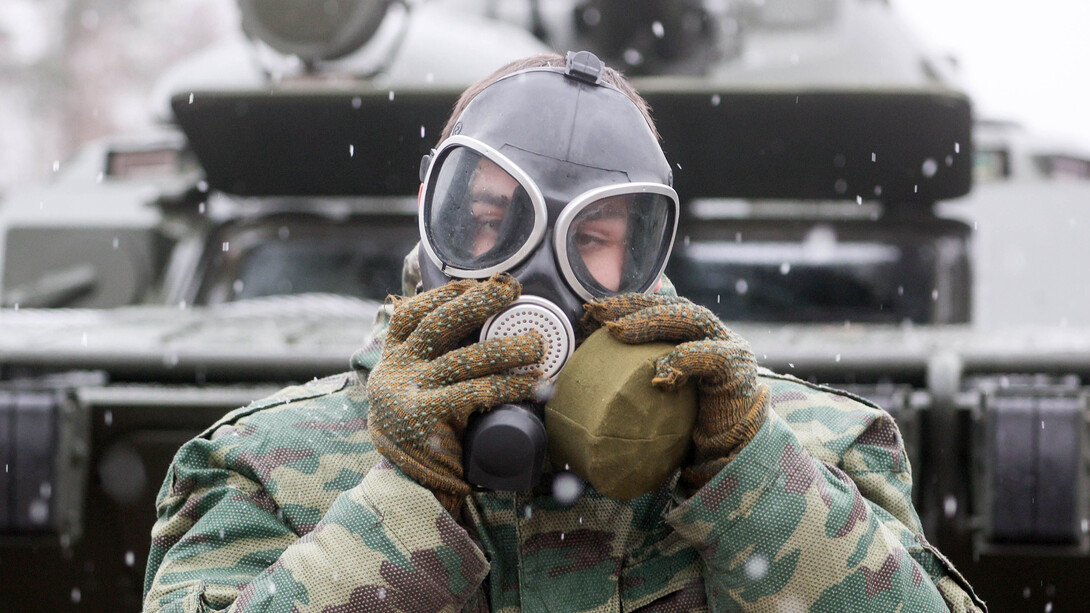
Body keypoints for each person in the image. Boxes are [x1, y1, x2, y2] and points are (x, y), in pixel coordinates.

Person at [143, 52, 985, 612]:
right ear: (434, 226)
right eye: (487, 220)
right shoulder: (268, 466)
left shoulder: (815, 451)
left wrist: (748, 476)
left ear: (648, 262)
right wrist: (405, 504)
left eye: (592, 240)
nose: (536, 275)